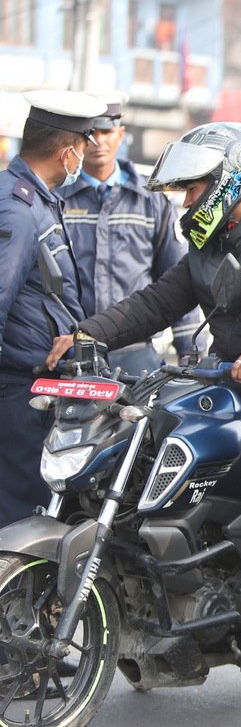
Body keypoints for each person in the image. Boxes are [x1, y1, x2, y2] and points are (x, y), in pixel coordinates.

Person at [45, 121, 241, 727]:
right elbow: (154, 304)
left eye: (194, 188)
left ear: (231, 180)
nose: (185, 202)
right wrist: (87, 334)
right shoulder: (205, 248)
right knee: (131, 465)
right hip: (220, 387)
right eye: (180, 191)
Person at [0, 90, 103, 527]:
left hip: (38, 386)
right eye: (82, 148)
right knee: (21, 518)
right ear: (66, 154)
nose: (82, 159)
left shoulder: (35, 200)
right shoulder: (20, 210)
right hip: (21, 389)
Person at [56, 91, 203, 374]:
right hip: (74, 348)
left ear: (120, 134)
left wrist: (189, 351)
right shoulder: (59, 200)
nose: (99, 141)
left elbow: (177, 275)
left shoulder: (150, 199)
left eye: (107, 131)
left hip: (136, 351)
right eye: (91, 133)